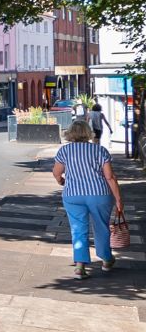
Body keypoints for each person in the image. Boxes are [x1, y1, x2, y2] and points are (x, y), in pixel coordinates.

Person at [53, 119, 124, 279]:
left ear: (70, 133)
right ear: (88, 133)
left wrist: (61, 181)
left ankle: (80, 267)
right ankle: (106, 260)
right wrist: (119, 199)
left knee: (78, 230)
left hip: (73, 195)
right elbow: (110, 177)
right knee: (101, 227)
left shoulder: (64, 151)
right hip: (99, 194)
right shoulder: (100, 150)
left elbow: (57, 172)